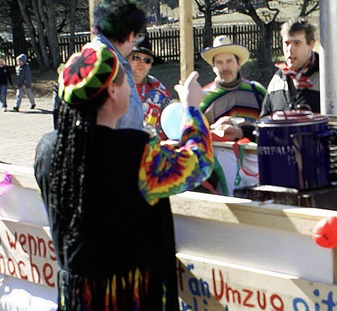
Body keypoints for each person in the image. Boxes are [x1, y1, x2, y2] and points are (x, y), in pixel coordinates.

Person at [33, 42, 214, 310]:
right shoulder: (136, 150)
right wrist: (191, 110)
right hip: (132, 297)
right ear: (113, 90)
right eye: (126, 78)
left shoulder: (48, 149)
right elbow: (198, 163)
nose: (132, 87)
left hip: (77, 297)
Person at [260, 17, 337, 117]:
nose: (290, 49)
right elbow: (264, 120)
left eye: (297, 43)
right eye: (287, 44)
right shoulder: (277, 81)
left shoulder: (333, 80)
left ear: (311, 45)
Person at [92, 0, 147, 130]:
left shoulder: (95, 54)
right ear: (129, 35)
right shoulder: (108, 63)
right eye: (137, 36)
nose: (135, 43)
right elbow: (126, 119)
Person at [200, 35, 266, 141]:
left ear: (238, 64)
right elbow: (196, 135)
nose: (225, 67)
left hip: (255, 155)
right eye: (219, 62)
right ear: (213, 67)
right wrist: (214, 128)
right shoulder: (204, 97)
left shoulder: (256, 91)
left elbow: (271, 124)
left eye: (229, 61)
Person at [129, 40, 172, 137]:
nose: (141, 63)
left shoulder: (160, 91)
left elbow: (169, 126)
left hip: (153, 149)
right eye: (136, 58)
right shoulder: (114, 87)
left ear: (151, 65)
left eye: (147, 60)